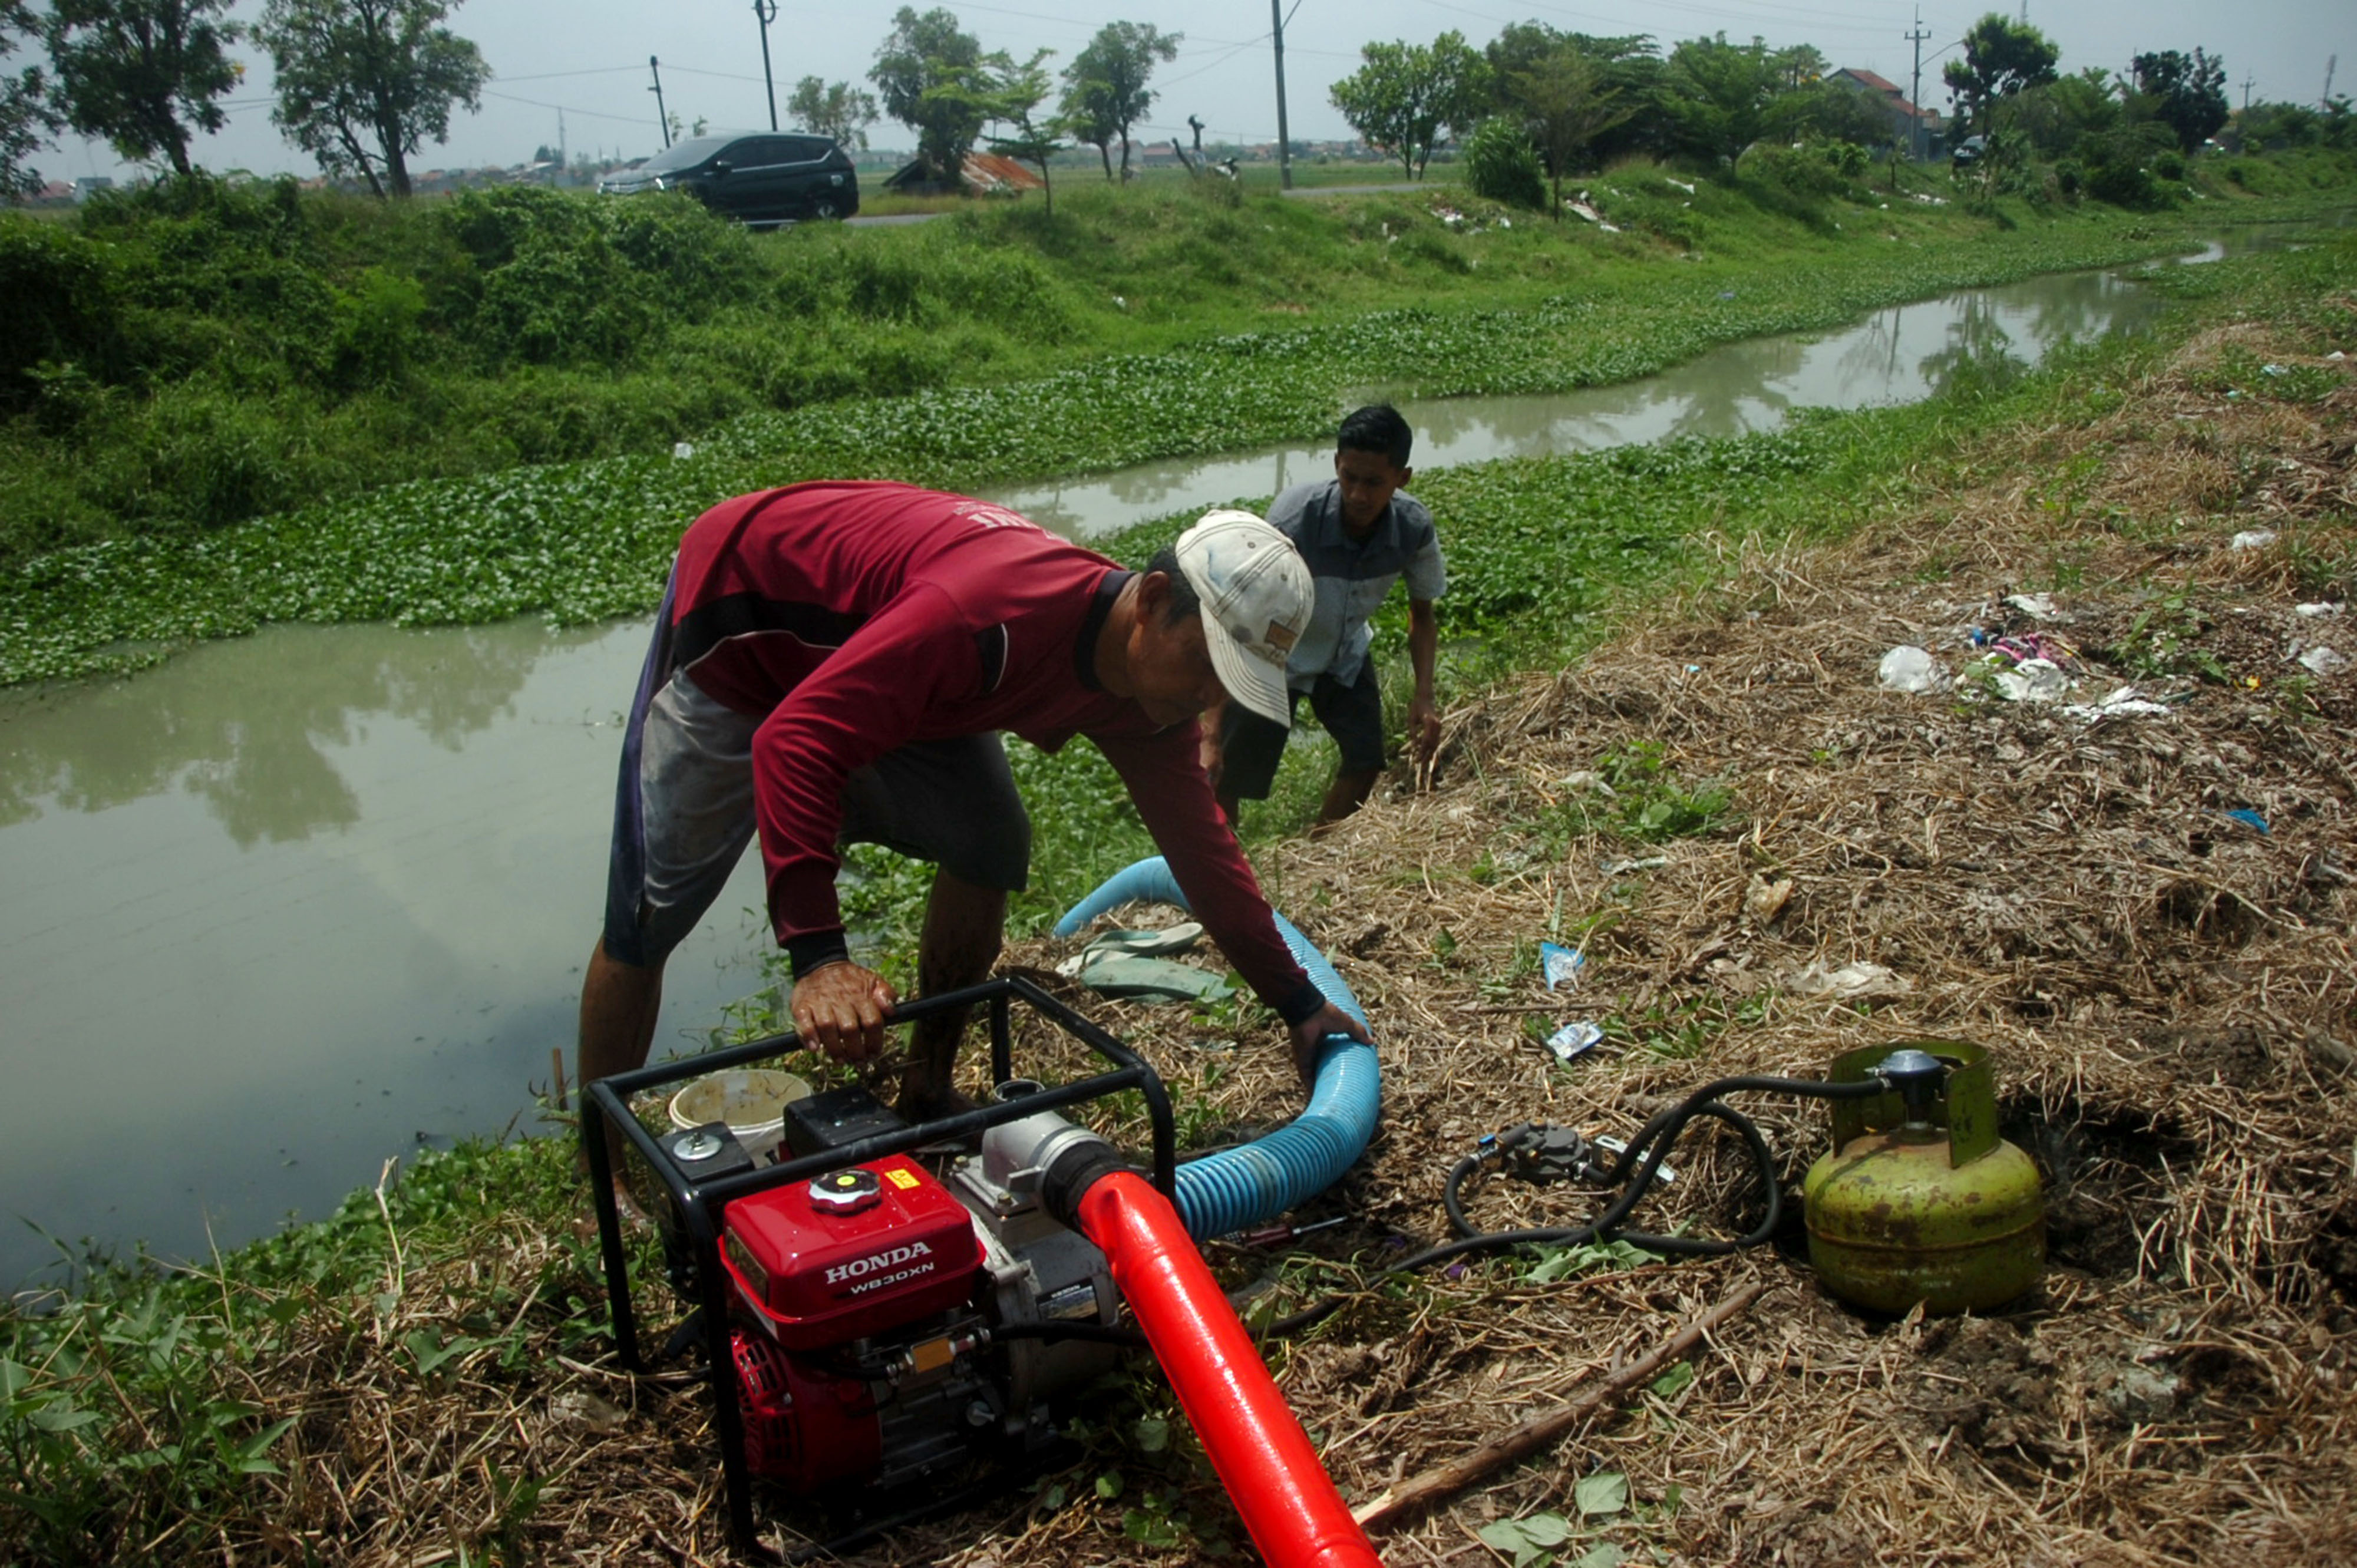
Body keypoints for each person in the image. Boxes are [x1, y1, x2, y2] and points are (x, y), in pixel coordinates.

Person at [578, 481, 1370, 1124]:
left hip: (887, 658)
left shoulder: (1144, 701)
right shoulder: (988, 619)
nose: (1205, 698)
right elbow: (794, 740)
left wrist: (1299, 1004)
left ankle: (926, 1088)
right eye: (1204, 663)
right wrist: (819, 960)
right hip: (745, 613)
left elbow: (1204, 857)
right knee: (649, 916)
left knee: (989, 840)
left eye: (1228, 684)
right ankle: (602, 1170)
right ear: (1153, 600)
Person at [1203, 404, 1446, 829]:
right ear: (1337, 464)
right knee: (1227, 773)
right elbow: (1236, 618)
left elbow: (1422, 616)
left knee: (1366, 760)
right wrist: (1210, 733)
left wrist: (1423, 695)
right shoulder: (1292, 522)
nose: (1358, 495)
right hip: (1273, 657)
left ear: (1402, 478)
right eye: (1350, 477)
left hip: (1343, 656)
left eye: (1374, 483)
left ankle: (1321, 849)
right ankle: (1226, 860)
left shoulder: (1413, 528)